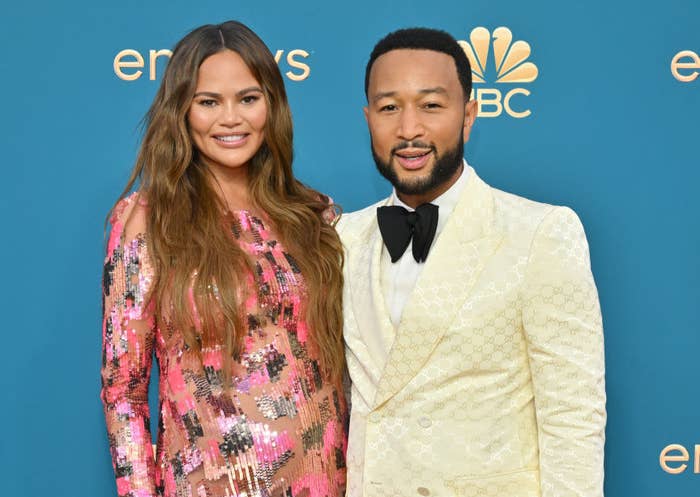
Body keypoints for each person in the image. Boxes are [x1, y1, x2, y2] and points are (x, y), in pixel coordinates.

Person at [337, 27, 606, 497]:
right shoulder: (342, 239)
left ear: (469, 115)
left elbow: (574, 415)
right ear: (367, 119)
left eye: (431, 105)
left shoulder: (539, 233)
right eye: (389, 108)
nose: (409, 129)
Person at [101, 21, 347, 497]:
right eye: (209, 102)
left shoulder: (315, 214)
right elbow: (123, 391)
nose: (230, 118)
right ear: (182, 112)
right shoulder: (147, 220)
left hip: (326, 483)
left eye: (248, 99)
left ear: (271, 105)